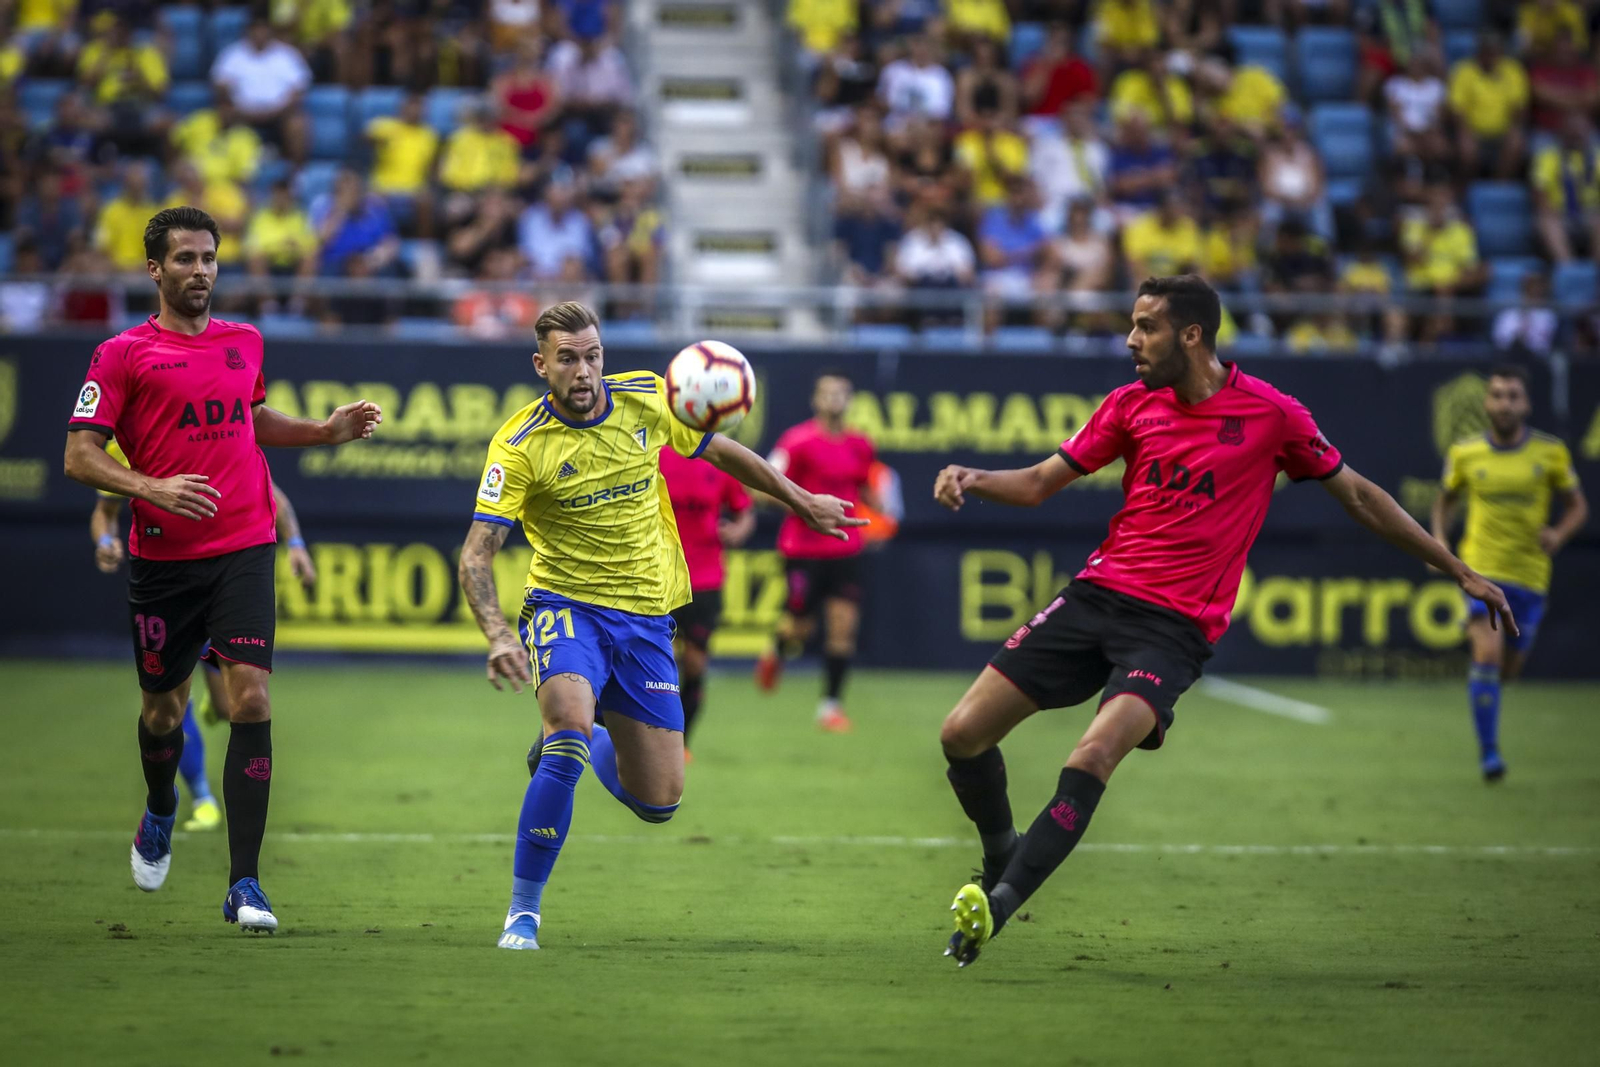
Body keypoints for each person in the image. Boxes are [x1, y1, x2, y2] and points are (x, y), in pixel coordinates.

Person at [933, 275, 1516, 968]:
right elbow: (1037, 483)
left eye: (1145, 325)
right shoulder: (1129, 404)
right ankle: (1002, 852)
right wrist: (973, 476)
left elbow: (1358, 494)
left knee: (1092, 754)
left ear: (1192, 335)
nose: (1130, 339)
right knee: (961, 734)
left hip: (1173, 628)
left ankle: (997, 906)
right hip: (1097, 595)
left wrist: (1456, 567)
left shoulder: (1273, 415)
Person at [457, 302, 862, 950]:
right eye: (567, 357)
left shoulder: (647, 398)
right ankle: (522, 914)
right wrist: (501, 633)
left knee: (659, 801)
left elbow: (722, 449)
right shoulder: (521, 443)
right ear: (541, 365)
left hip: (647, 617)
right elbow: (478, 552)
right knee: (563, 726)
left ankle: (589, 742)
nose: (584, 370)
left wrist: (801, 499)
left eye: (592, 355)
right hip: (567, 605)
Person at [62, 206, 381, 934]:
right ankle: (162, 806)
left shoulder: (246, 341)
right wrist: (149, 486)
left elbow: (252, 420)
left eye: (209, 257)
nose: (201, 269)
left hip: (243, 545)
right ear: (155, 270)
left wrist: (323, 432)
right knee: (162, 713)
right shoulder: (121, 354)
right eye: (184, 259)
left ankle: (245, 883)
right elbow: (80, 455)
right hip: (163, 562)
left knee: (253, 700)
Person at [89, 439, 320, 831]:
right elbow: (105, 510)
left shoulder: (210, 434)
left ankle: (205, 710)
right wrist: (105, 541)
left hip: (222, 579)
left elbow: (268, 490)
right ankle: (190, 796)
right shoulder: (124, 444)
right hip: (166, 584)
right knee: (167, 711)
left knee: (236, 707)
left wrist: (295, 541)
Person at [1431, 365, 1587, 782]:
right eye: (1497, 395)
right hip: (1480, 570)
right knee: (1487, 653)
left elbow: (1578, 506)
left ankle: (1486, 708)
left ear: (1526, 403)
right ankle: (1490, 755)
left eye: (1512, 396)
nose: (1504, 403)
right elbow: (1444, 502)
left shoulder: (1550, 453)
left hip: (1531, 575)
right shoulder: (1465, 453)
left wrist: (1558, 533)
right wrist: (1440, 543)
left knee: (1507, 671)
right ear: (1486, 402)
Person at [754, 372, 879, 733]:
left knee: (843, 628)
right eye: (828, 393)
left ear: (850, 399)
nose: (835, 399)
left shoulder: (862, 444)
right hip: (803, 548)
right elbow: (765, 490)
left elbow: (866, 489)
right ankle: (776, 649)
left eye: (842, 393)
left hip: (845, 547)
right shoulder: (796, 442)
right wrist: (805, 506)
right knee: (800, 628)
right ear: (815, 400)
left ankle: (830, 707)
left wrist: (880, 511)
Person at [658, 442, 756, 751]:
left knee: (695, 666)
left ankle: (680, 746)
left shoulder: (716, 457)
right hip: (659, 579)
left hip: (705, 580)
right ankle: (648, 740)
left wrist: (739, 530)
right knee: (656, 666)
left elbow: (744, 511)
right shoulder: (654, 455)